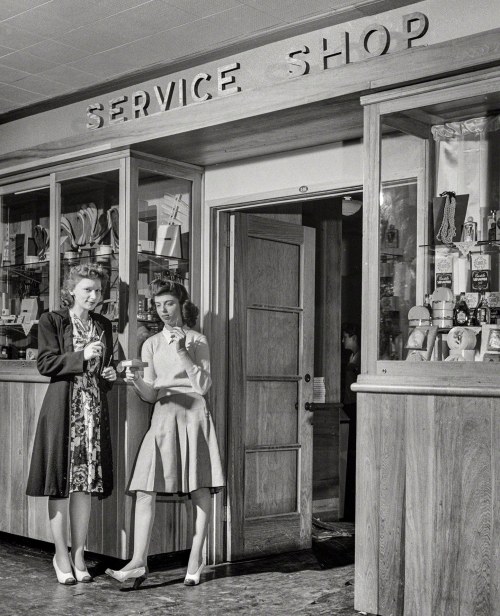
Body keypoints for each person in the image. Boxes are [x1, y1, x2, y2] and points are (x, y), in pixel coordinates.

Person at [106, 279, 224, 589]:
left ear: (182, 305)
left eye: (169, 304)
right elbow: (150, 394)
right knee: (145, 489)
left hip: (194, 415)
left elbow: (203, 386)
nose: (163, 311)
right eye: (158, 306)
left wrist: (183, 351)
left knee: (199, 489)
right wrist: (135, 380)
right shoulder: (150, 343)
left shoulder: (198, 340)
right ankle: (137, 562)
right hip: (163, 416)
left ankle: (195, 558)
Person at [26, 263, 117, 585]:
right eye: (87, 290)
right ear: (71, 291)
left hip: (92, 410)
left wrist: (110, 374)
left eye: (98, 290)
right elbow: (46, 363)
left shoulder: (104, 324)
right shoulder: (53, 320)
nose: (94, 296)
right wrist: (82, 354)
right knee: (61, 483)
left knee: (86, 485)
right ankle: (60, 556)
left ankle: (79, 554)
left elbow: (106, 367)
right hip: (64, 410)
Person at [341, 323, 361, 522]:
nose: (343, 341)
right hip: (349, 402)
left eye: (345, 337)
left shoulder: (360, 357)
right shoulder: (352, 357)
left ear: (354, 337)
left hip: (355, 404)